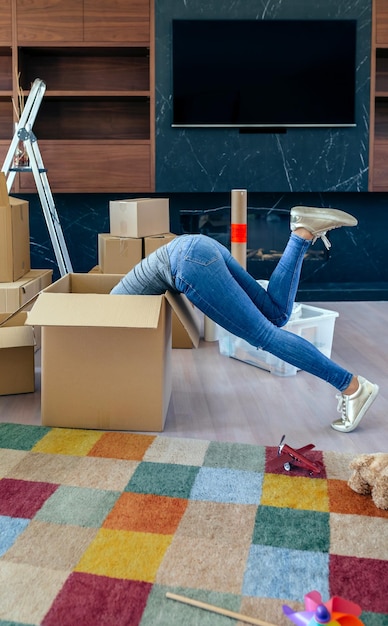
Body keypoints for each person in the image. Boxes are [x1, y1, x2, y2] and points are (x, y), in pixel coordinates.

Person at [111, 206, 379, 433]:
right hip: (197, 246)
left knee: (265, 336)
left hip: (188, 264)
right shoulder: (111, 301)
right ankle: (302, 233)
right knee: (276, 314)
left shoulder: (107, 319)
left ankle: (352, 386)